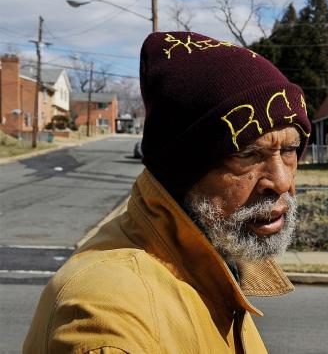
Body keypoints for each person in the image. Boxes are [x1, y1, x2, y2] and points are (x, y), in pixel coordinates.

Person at [24, 32, 311, 353]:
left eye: (290, 150)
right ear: (183, 168)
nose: (282, 181)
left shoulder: (218, 262)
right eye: (247, 154)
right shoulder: (108, 315)